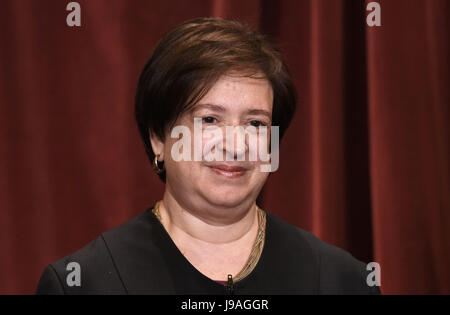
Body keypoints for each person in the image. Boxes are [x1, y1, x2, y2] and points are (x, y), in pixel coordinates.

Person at [36, 17, 380, 295]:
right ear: (158, 138)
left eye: (256, 123)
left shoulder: (343, 281)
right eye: (210, 119)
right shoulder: (83, 283)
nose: (236, 144)